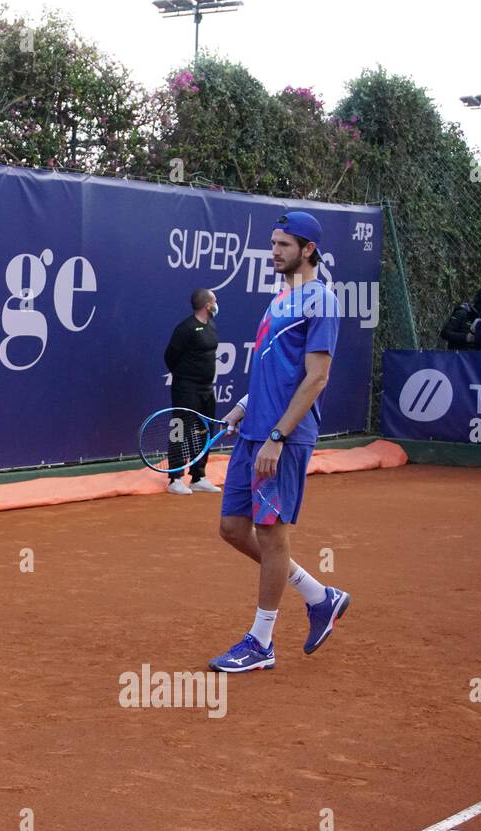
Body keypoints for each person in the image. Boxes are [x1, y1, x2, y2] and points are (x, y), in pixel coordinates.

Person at [209, 212, 351, 673]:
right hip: (255, 432)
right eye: (272, 243)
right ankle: (317, 594)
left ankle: (262, 641)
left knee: (272, 536)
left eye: (284, 245)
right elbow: (274, 373)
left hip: (283, 440)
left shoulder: (322, 301)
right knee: (232, 528)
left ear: (308, 249)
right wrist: (242, 410)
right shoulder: (279, 300)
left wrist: (276, 435)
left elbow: (316, 378)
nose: (274, 251)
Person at [162, 288, 223, 495]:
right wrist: (185, 378)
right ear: (207, 305)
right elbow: (170, 357)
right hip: (185, 389)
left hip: (207, 389)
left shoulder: (211, 326)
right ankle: (175, 479)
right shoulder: (185, 329)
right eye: (214, 300)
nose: (216, 303)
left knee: (203, 432)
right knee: (179, 430)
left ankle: (198, 476)